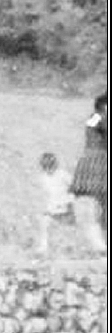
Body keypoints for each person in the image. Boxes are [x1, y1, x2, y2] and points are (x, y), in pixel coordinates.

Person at [70, 93, 109, 252]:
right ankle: (99, 244)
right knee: (94, 203)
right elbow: (95, 126)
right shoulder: (96, 118)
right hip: (96, 162)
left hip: (100, 161)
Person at [36, 152, 76, 256]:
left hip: (65, 206)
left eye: (50, 166)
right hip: (52, 207)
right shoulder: (43, 177)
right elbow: (45, 194)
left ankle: (70, 248)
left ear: (54, 165)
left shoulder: (63, 174)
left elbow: (74, 188)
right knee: (44, 224)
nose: (48, 169)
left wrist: (69, 202)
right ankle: (43, 248)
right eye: (45, 167)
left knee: (68, 228)